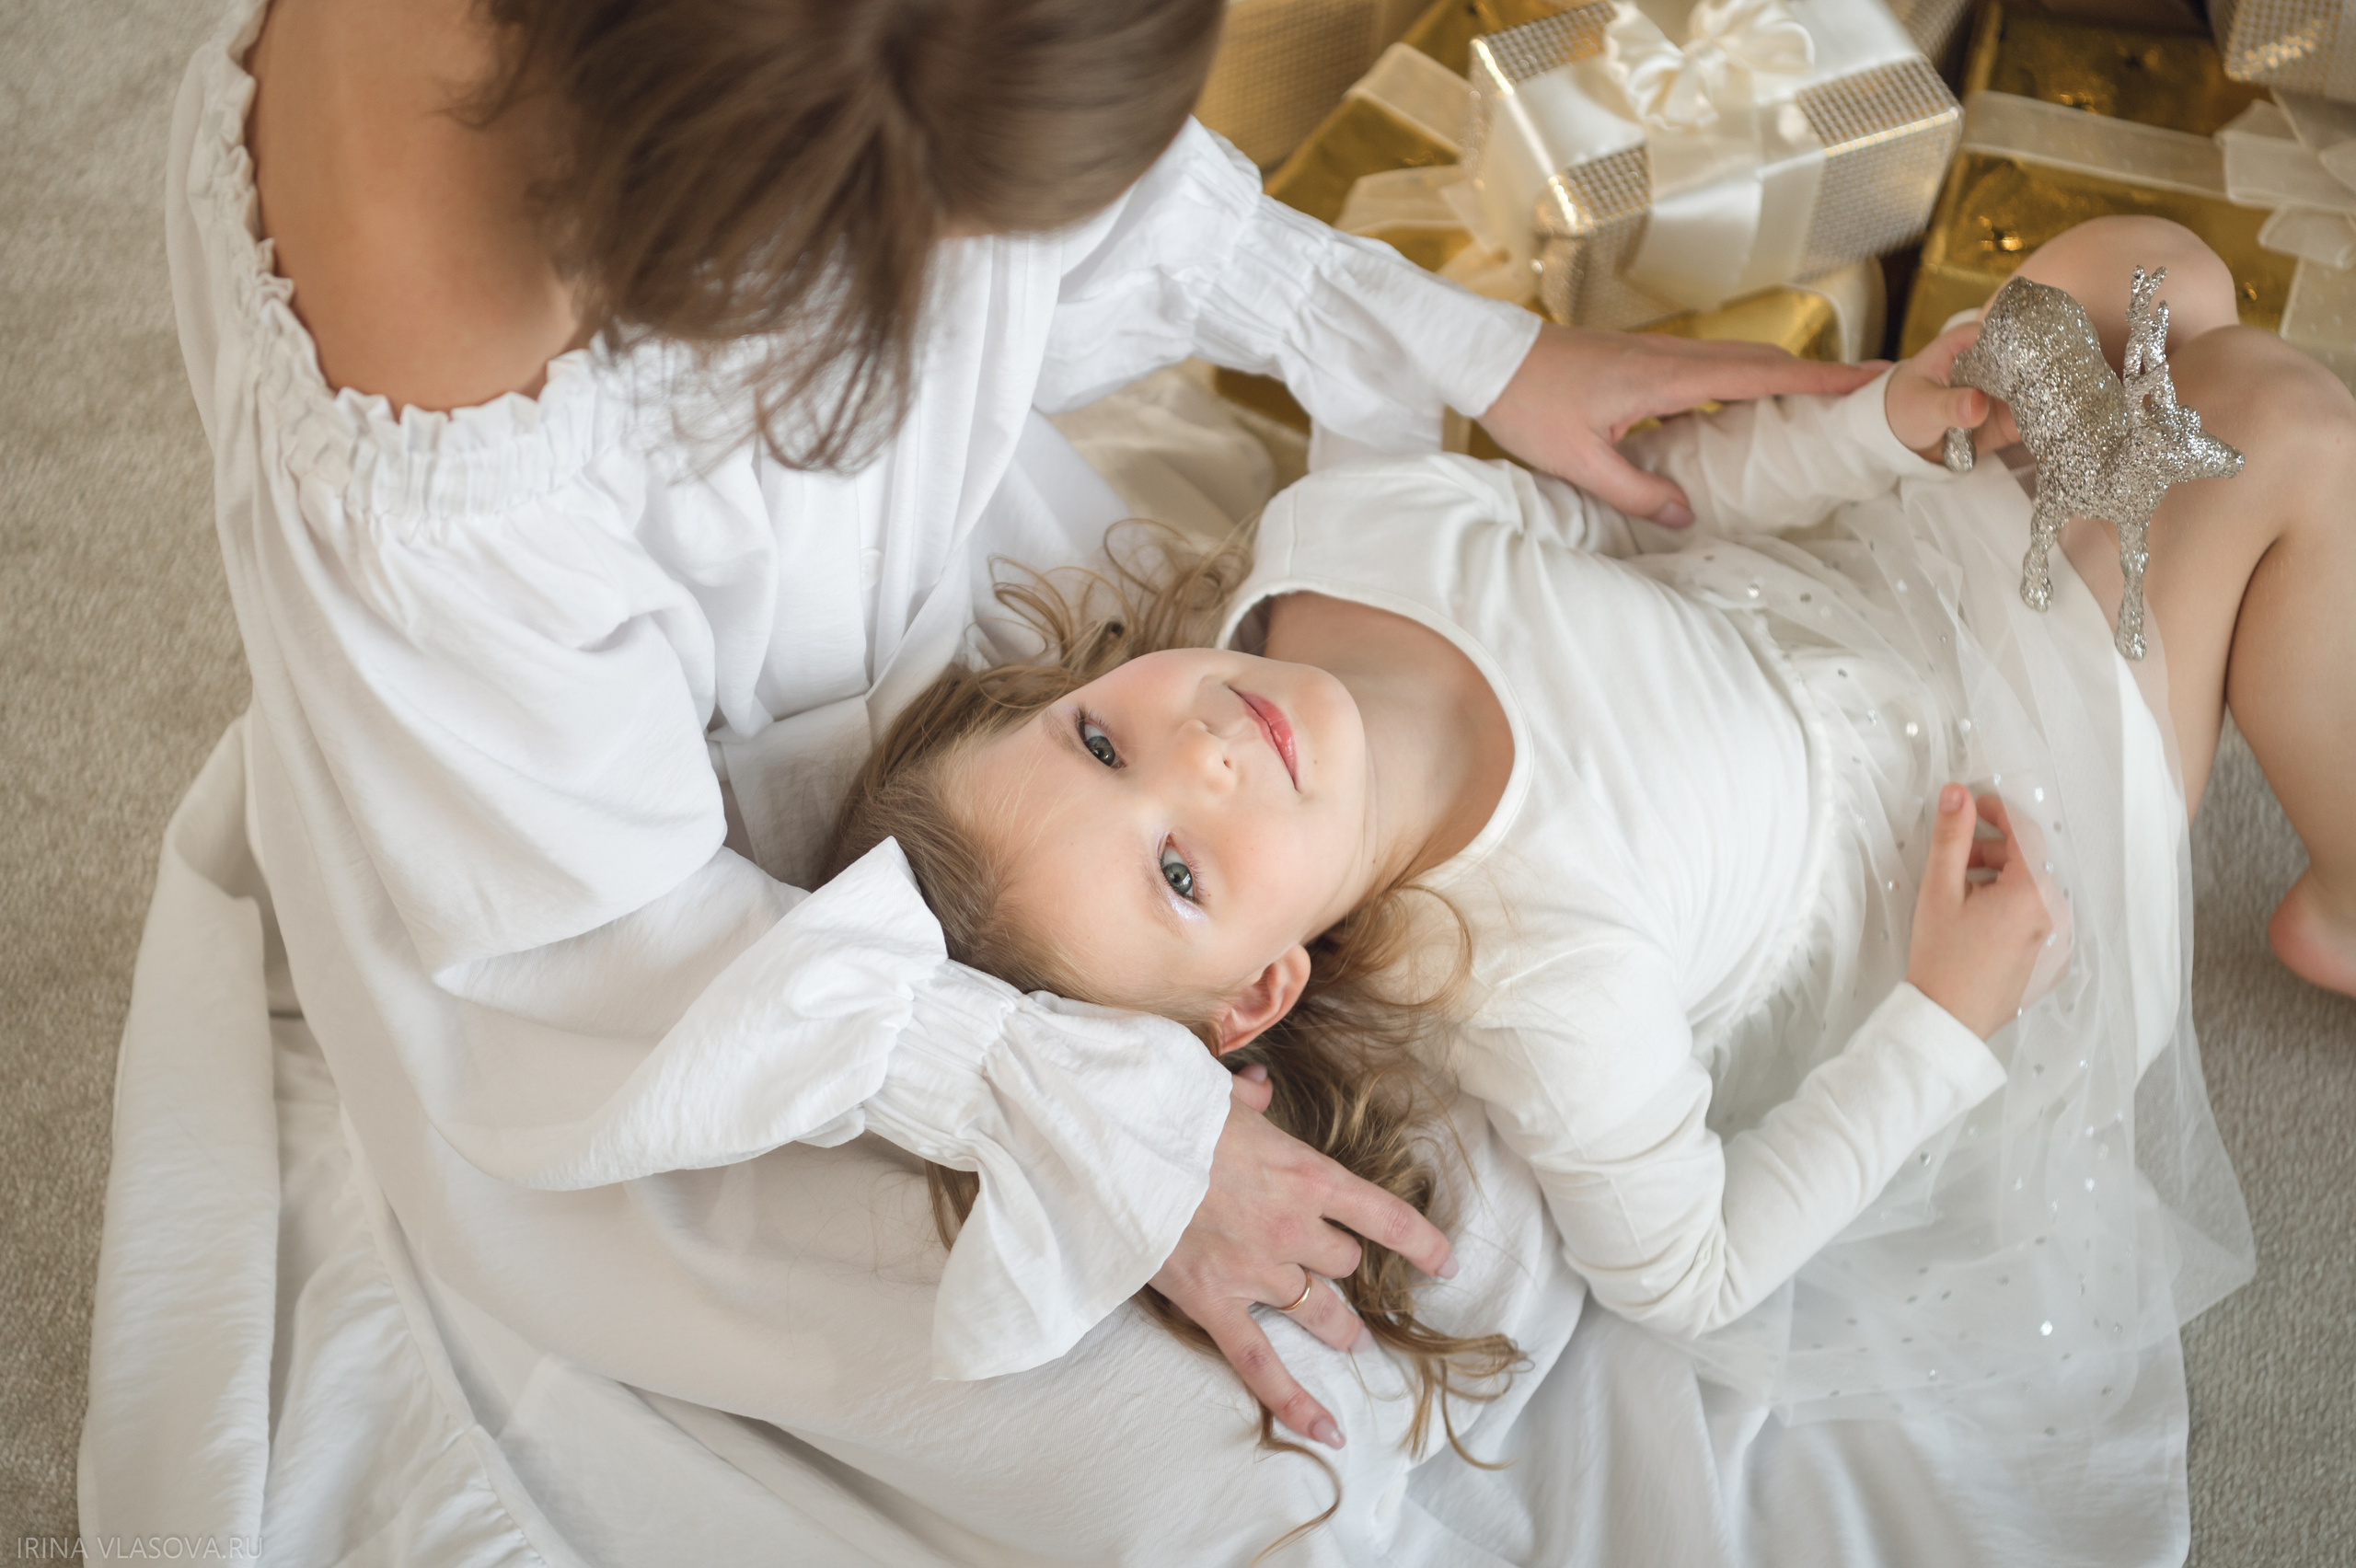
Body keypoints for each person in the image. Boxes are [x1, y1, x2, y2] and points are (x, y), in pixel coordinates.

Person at [130, 0, 1877, 1480]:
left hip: (891, 680)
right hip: (634, 947)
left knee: (1441, 1213)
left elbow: (1111, 222)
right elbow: (600, 931)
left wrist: (1473, 357)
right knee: (1246, 1433)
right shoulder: (453, 445)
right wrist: (1067, 1117)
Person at [824, 215, 2351, 1431]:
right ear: (1261, 987)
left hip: (1855, 598)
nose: (1199, 759)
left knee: (2142, 278)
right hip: (1986, 831)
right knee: (2273, 422)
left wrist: (1880, 428)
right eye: (1179, 870)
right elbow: (1694, 1274)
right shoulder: (1532, 974)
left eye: (1102, 740)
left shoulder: (1335, 538)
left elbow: (1644, 511)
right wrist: (1946, 1014)